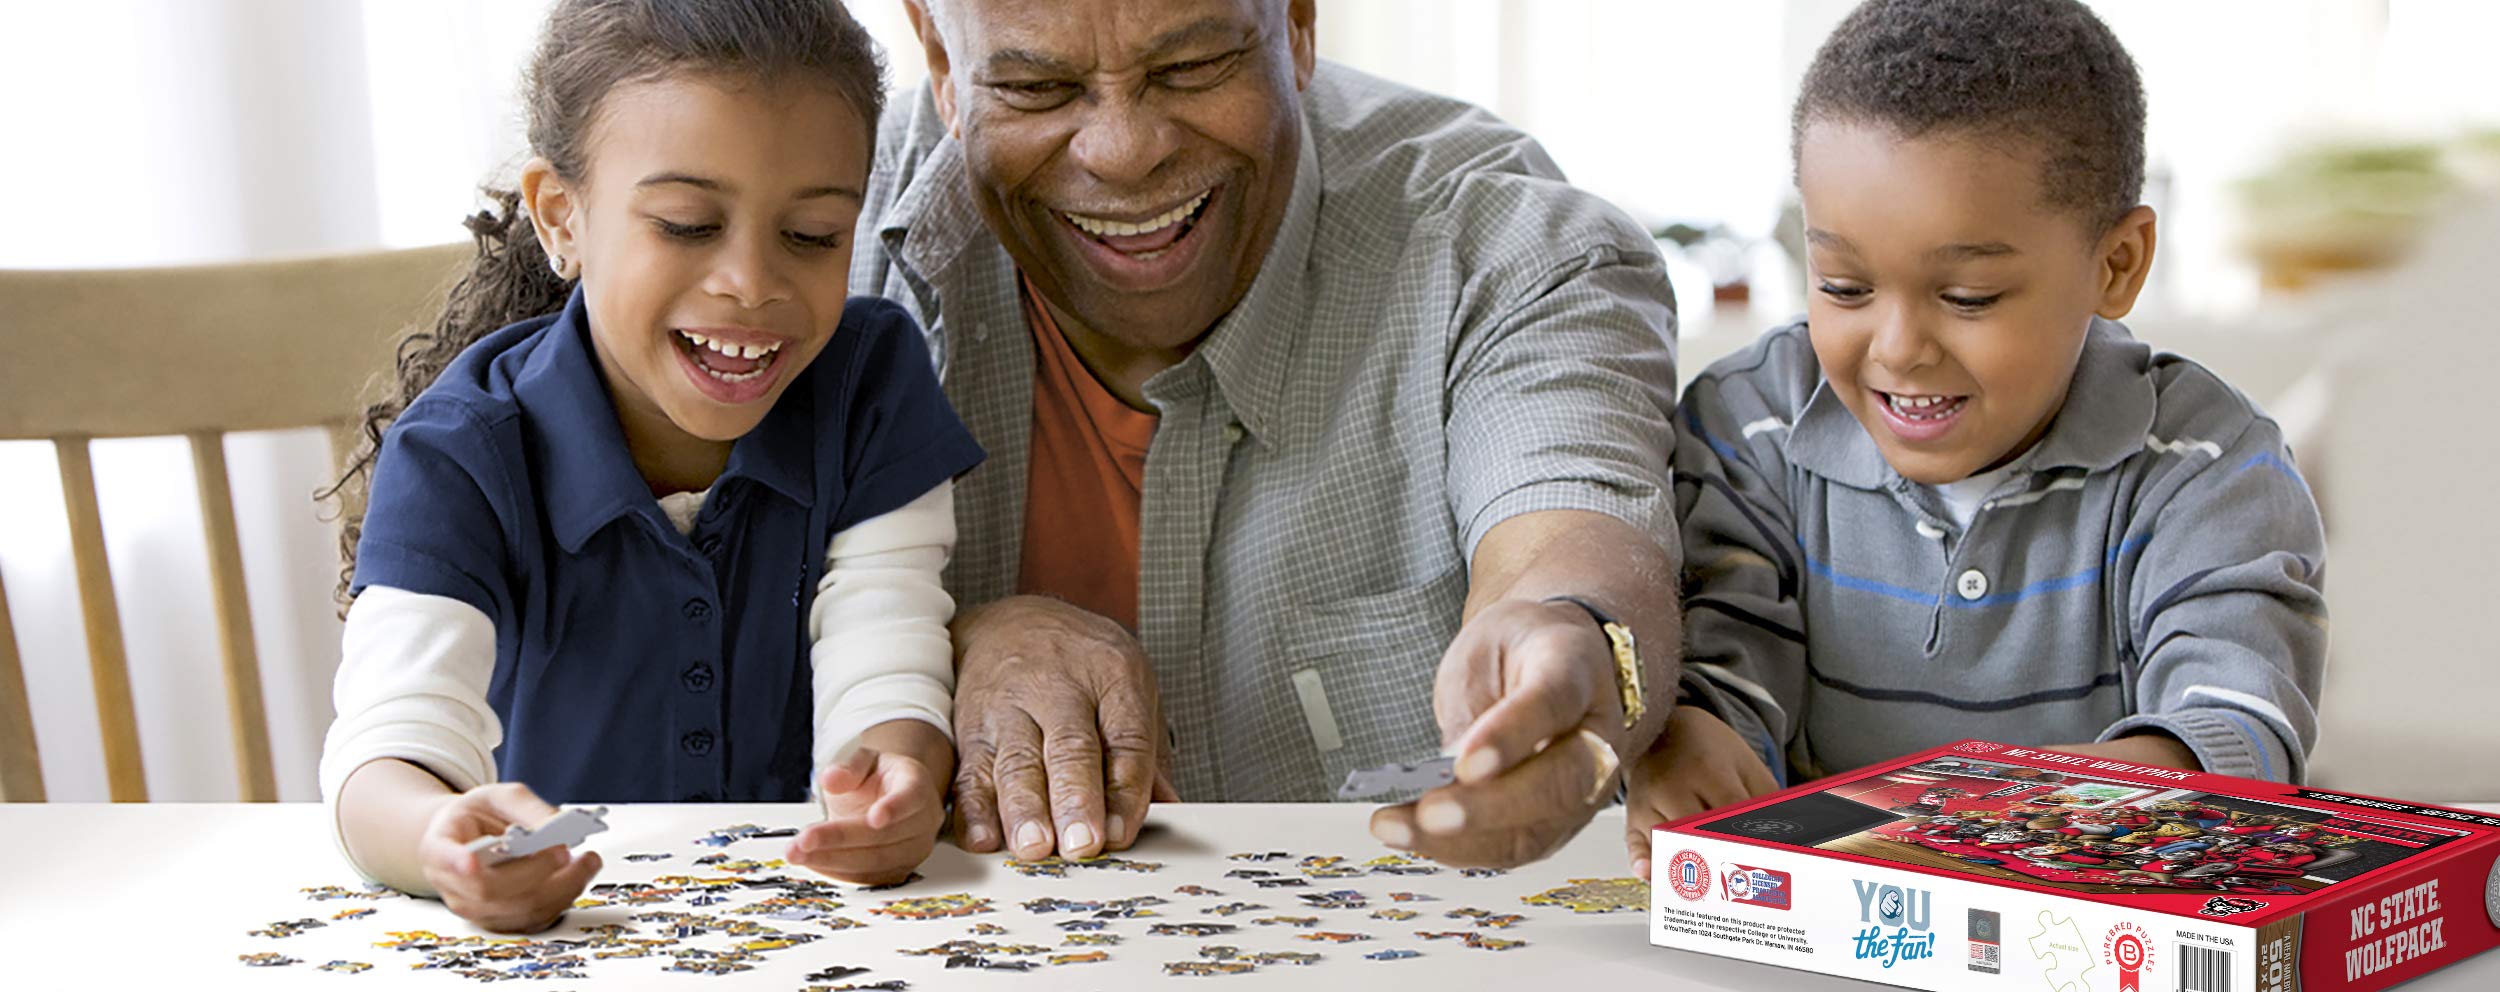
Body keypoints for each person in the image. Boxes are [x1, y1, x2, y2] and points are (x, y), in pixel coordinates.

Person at [857, 0, 1683, 869]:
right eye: (1035, 86)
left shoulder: (1502, 244)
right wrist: (937, 642)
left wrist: (1576, 642)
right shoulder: (798, 225)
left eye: (1191, 67)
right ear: (941, 61)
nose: (1124, 151)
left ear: (1296, 23)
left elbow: (1569, 535)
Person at [316, 0, 983, 932]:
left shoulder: (871, 385)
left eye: (813, 235)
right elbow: (386, 751)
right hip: (565, 940)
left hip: (813, 929)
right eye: (684, 223)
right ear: (561, 217)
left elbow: (886, 648)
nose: (751, 281)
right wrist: (438, 836)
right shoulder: (460, 452)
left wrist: (895, 777)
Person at [1627, 0, 2328, 877]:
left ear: (2116, 265)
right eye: (1844, 286)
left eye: (1967, 298)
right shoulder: (1749, 424)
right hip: (1813, 927)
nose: (1897, 348)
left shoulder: (2207, 465)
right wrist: (1691, 733)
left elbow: (2234, 713)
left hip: (2090, 923)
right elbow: (1728, 647)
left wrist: (2088, 803)